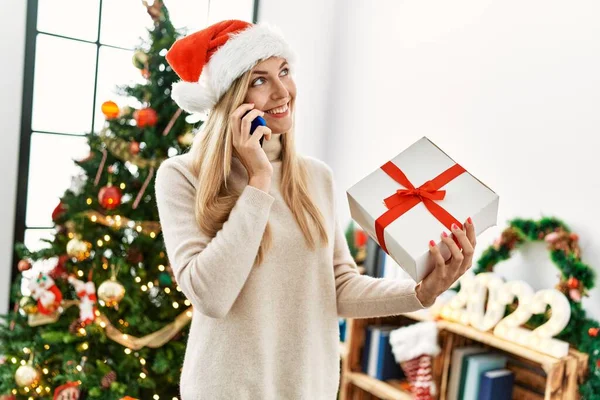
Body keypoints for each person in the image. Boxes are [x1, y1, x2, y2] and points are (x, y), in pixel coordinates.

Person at [154, 19, 477, 400]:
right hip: (227, 390)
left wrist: (421, 292)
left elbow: (337, 286)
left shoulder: (316, 177)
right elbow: (211, 296)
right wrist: (258, 180)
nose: (282, 91)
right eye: (259, 80)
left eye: (284, 72)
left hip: (309, 390)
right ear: (229, 99)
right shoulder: (181, 176)